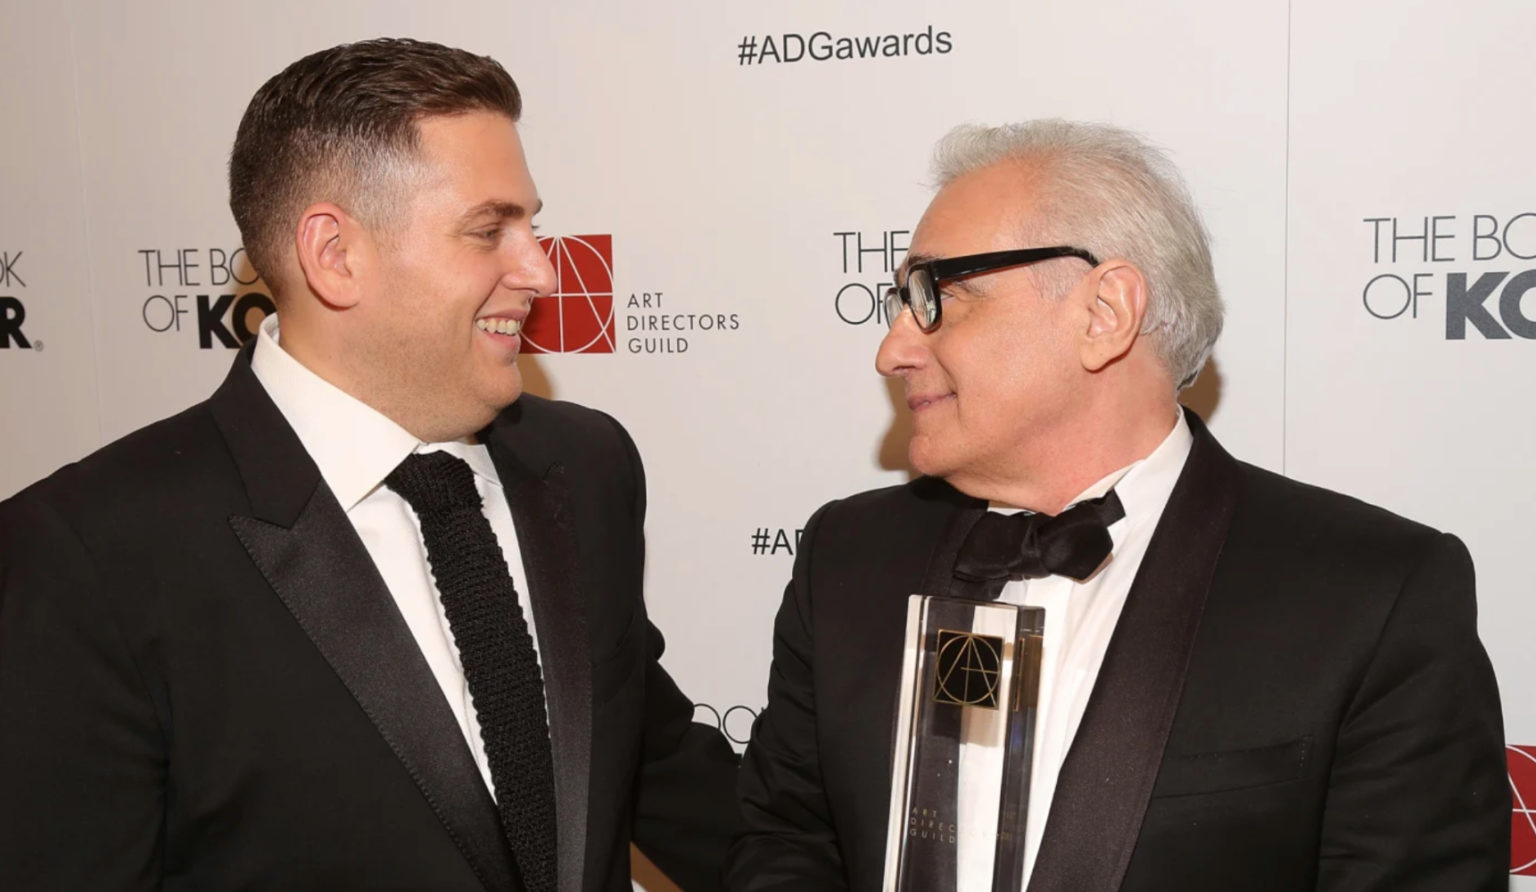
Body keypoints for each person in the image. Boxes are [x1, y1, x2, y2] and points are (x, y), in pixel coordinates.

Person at [0, 38, 739, 892]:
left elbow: (658, 768)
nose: (541, 269)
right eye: (489, 230)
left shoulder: (586, 463)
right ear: (335, 254)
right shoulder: (91, 556)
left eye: (532, 226)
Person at [727, 120, 1508, 892]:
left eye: (940, 295)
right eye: (901, 301)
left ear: (1105, 313)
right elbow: (786, 839)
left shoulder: (1371, 596)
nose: (892, 350)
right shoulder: (849, 557)